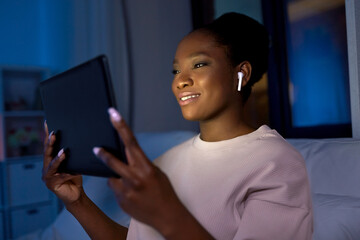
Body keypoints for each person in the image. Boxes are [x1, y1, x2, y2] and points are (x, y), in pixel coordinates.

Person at [42, 12, 313, 240]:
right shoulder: (164, 163)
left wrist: (168, 214)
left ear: (242, 73)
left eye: (199, 64)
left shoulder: (276, 163)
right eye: (176, 70)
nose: (180, 81)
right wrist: (77, 201)